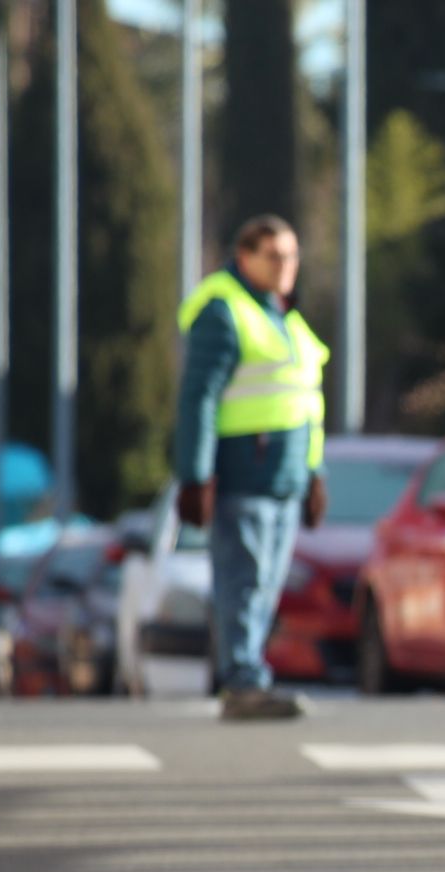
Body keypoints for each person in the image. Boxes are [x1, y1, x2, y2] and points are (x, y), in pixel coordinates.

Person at [173, 214, 330, 721]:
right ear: (245, 258)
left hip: (283, 478)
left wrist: (314, 473)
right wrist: (195, 476)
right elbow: (198, 398)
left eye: (291, 256)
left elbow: (305, 403)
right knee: (243, 581)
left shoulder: (284, 316)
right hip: (243, 475)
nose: (286, 266)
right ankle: (243, 681)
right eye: (275, 256)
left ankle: (247, 674)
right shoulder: (224, 312)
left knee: (264, 586)